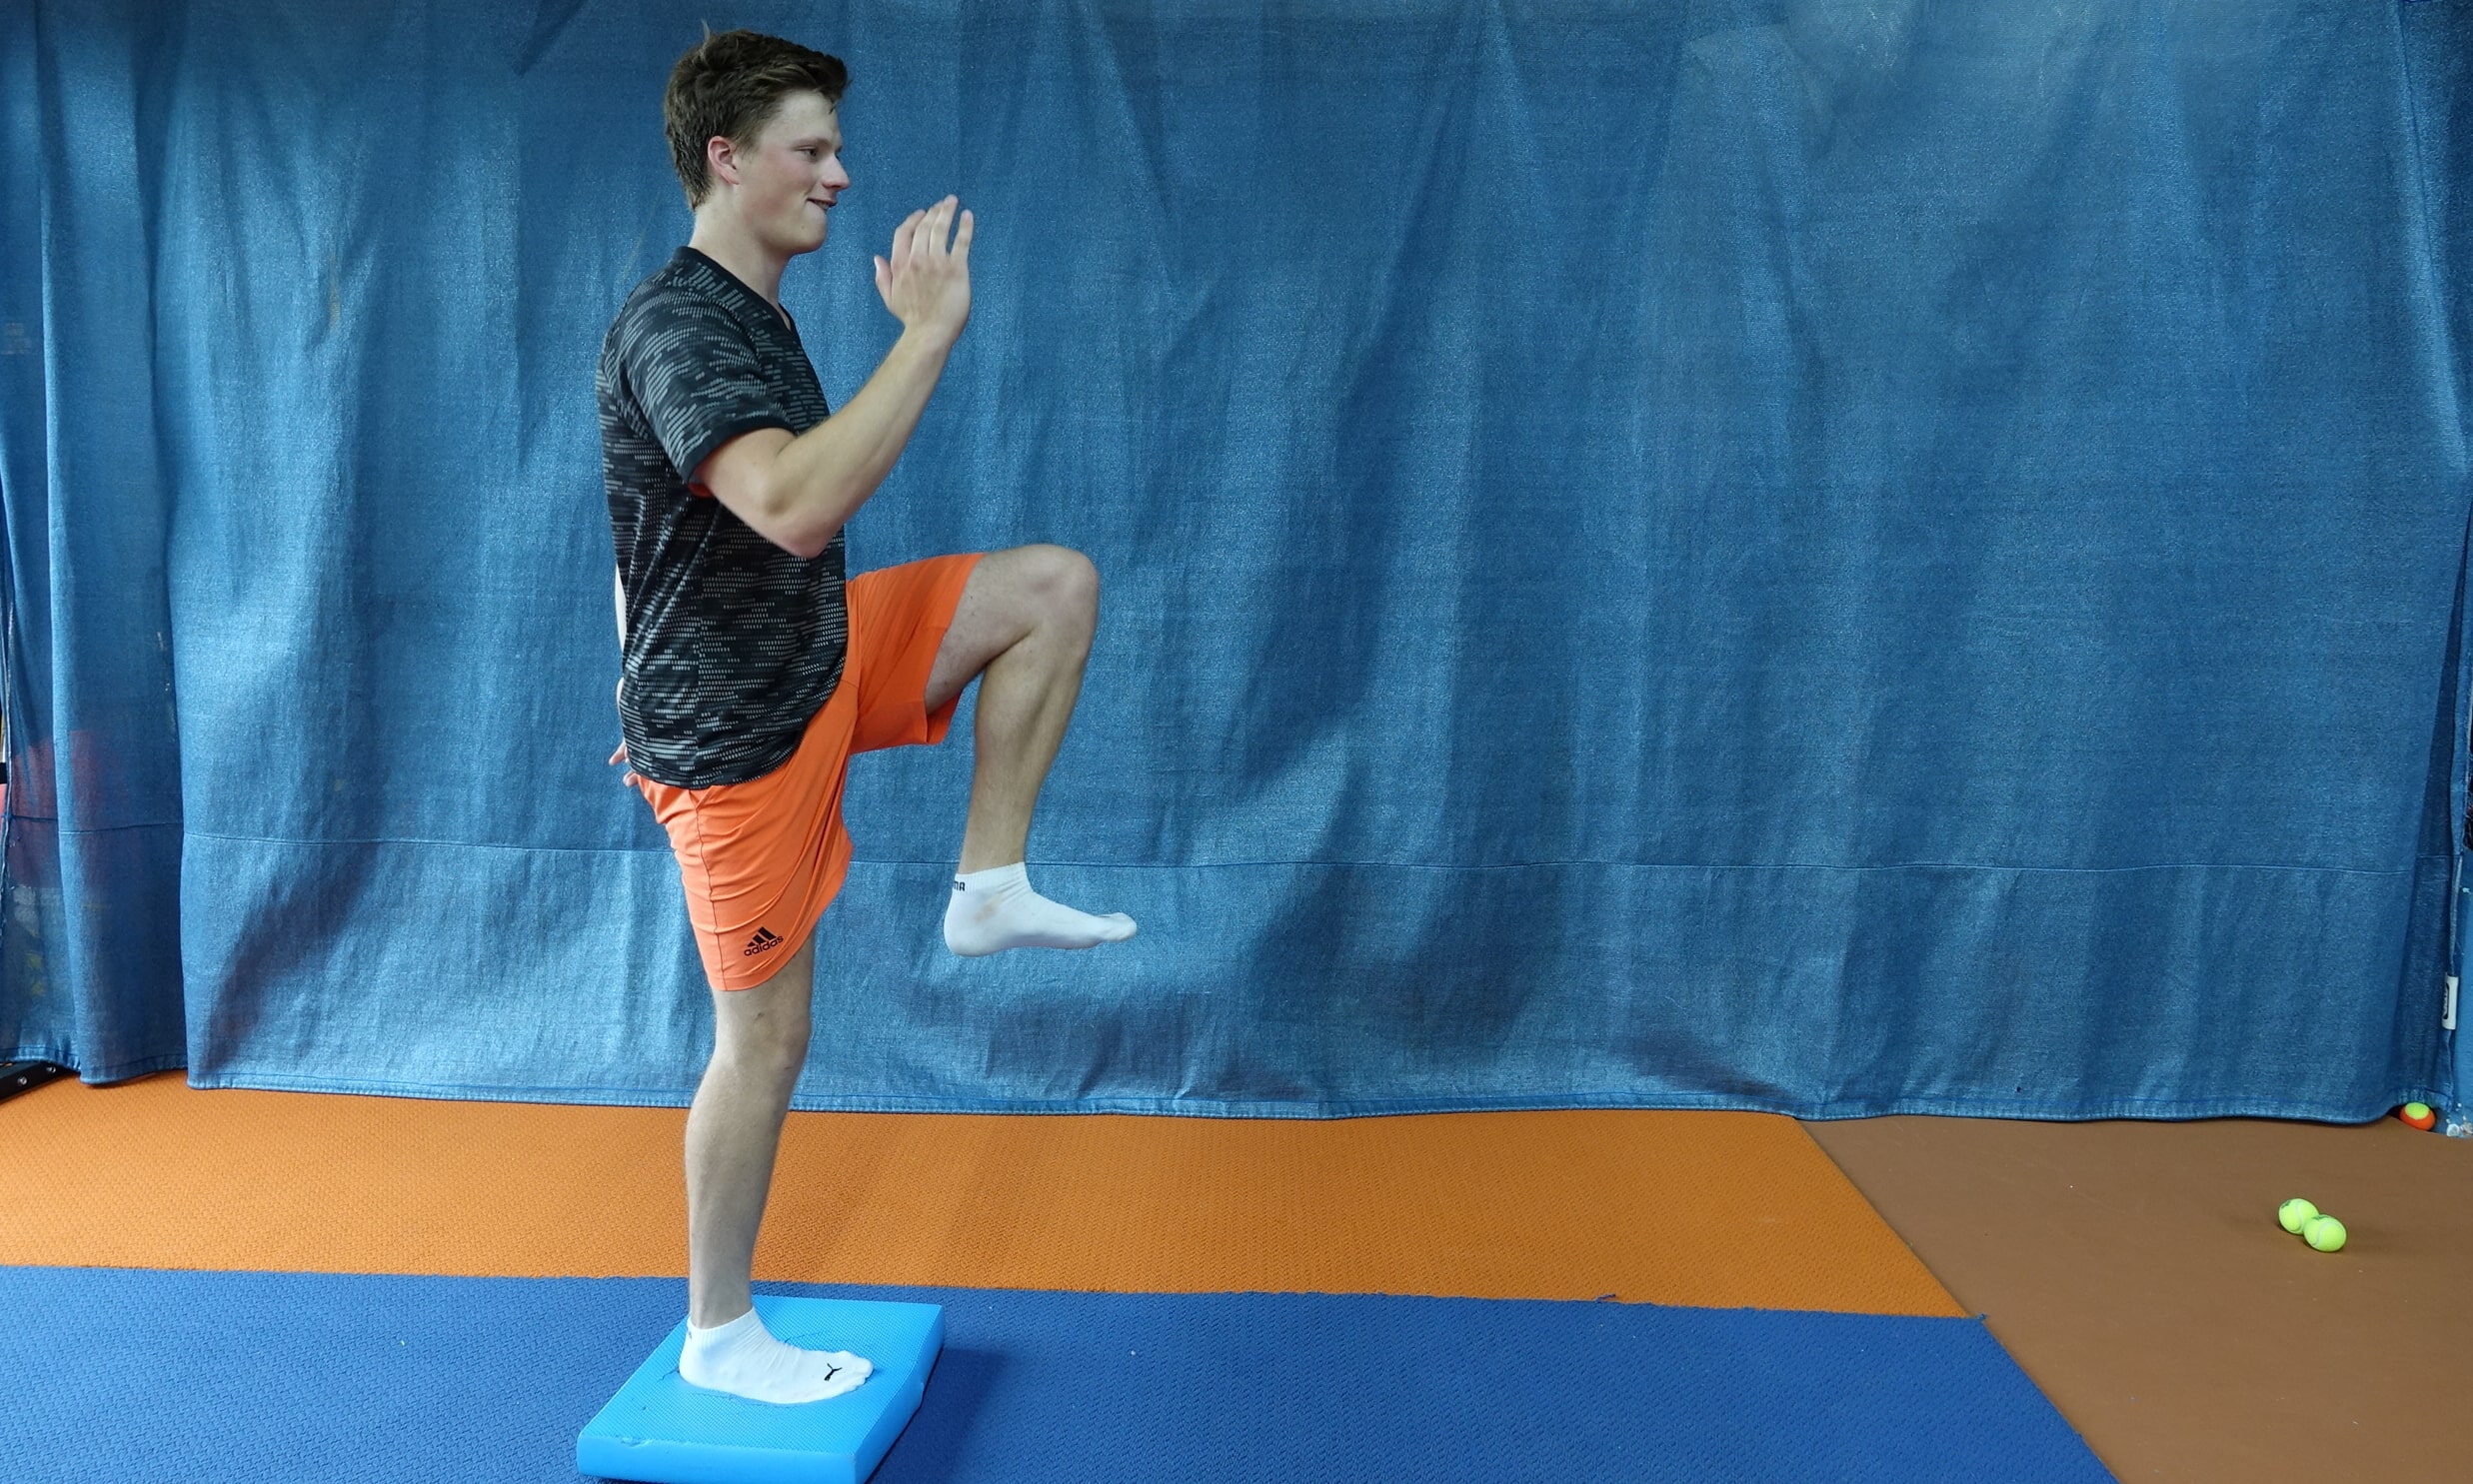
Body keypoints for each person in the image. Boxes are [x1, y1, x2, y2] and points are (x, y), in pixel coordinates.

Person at [597, 28, 1136, 1405]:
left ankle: (990, 884)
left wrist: (637, 649)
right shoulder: (676, 324)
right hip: (739, 735)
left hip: (816, 651)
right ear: (726, 159)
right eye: (813, 148)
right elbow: (790, 504)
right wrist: (931, 333)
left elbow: (648, 532)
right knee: (765, 1041)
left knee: (1050, 589)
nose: (839, 174)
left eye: (837, 147)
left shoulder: (756, 318)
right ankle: (719, 1333)